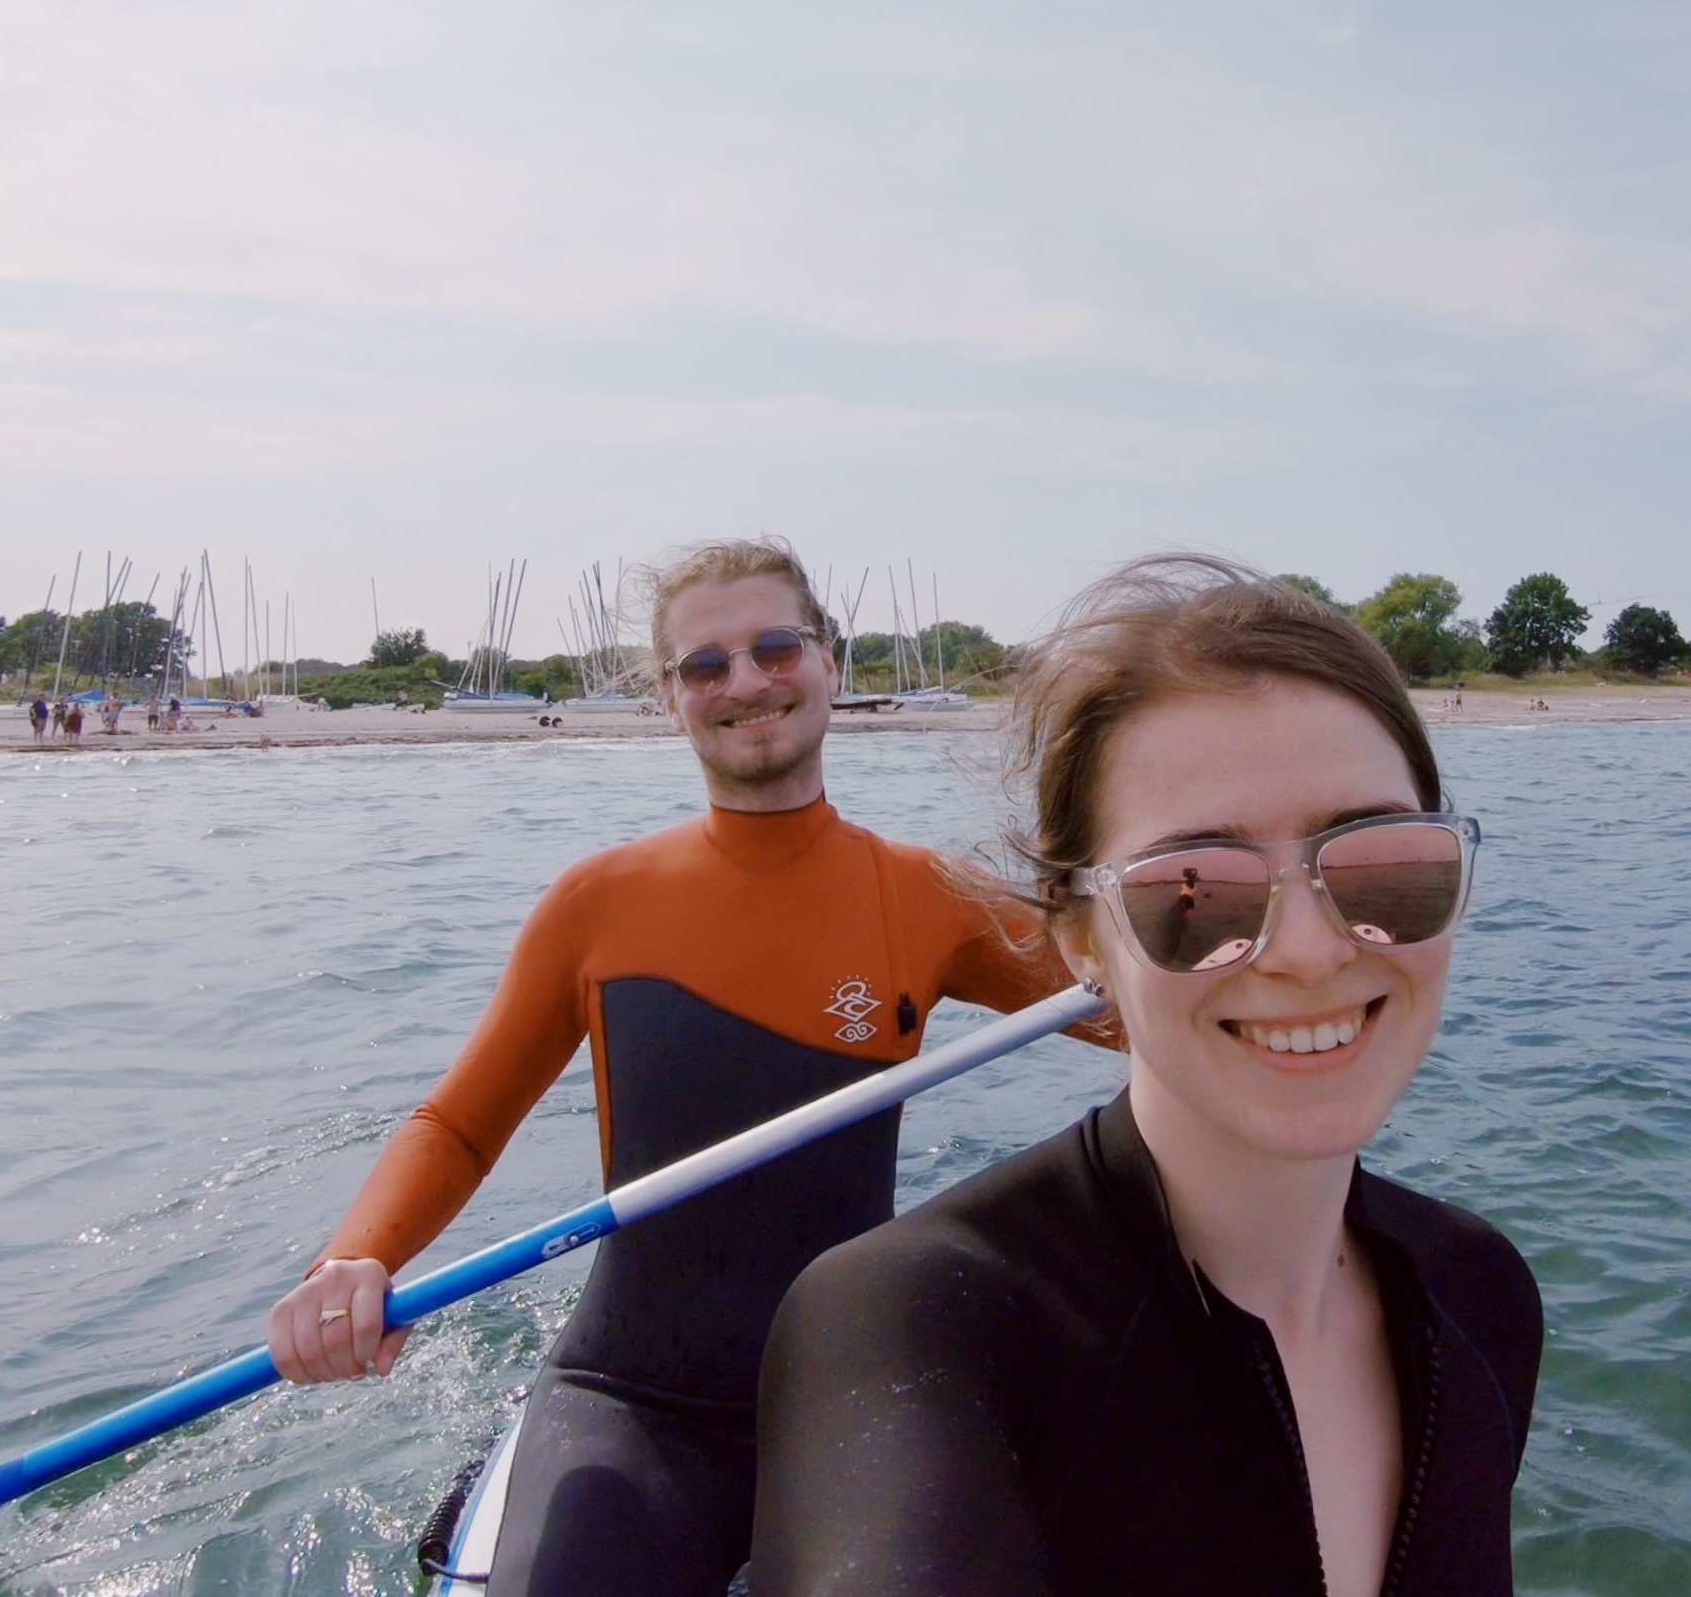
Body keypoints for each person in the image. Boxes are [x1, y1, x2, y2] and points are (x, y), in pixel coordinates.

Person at [264, 538, 1095, 1597]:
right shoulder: (596, 904)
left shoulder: (927, 895)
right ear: (670, 697)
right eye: (706, 665)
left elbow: (1139, 1006)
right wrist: (353, 1261)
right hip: (628, 1395)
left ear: (829, 660)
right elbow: (460, 1126)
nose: (745, 682)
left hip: (846, 1393)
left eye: (774, 646)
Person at [752, 558, 1542, 1597]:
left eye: (1382, 864)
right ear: (1081, 939)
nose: (1308, 950)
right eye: (1196, 891)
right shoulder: (916, 1322)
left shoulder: (1480, 1295)